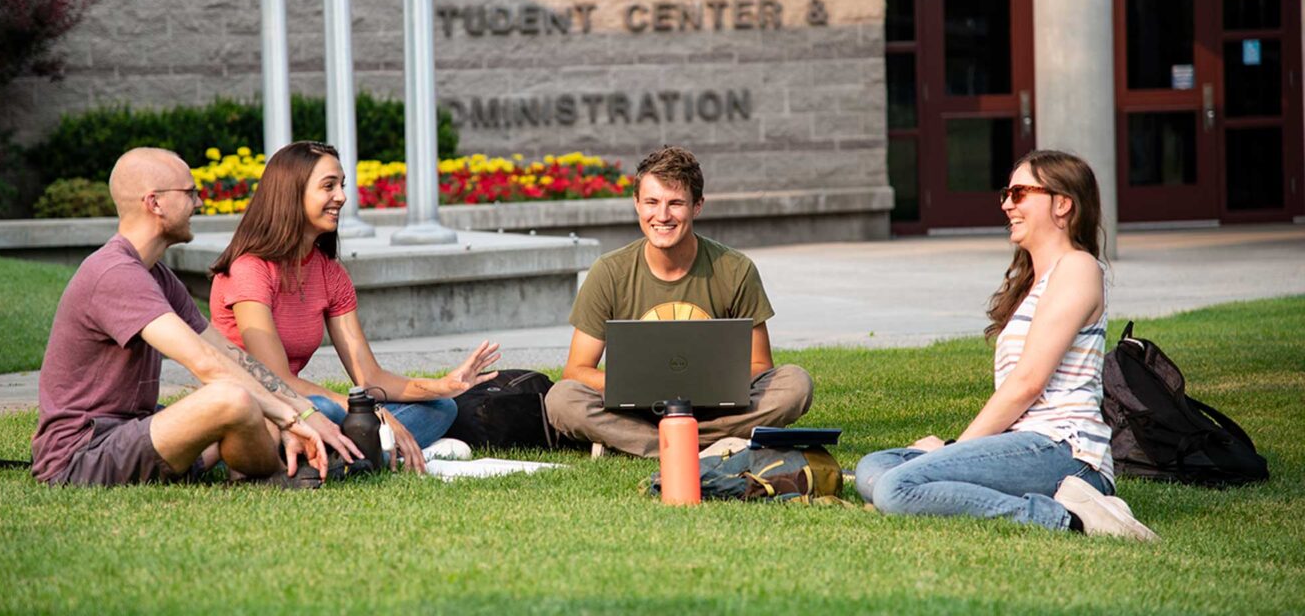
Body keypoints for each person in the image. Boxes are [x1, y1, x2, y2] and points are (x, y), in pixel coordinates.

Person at [855, 150, 1158, 540]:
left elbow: (1028, 382)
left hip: (1064, 451)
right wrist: (951, 452)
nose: (1006, 204)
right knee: (874, 467)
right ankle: (942, 490)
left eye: (1019, 194)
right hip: (1022, 445)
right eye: (1006, 194)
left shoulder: (1077, 268)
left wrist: (952, 452)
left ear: (1062, 204)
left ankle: (1074, 518)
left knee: (894, 489)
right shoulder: (1038, 280)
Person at [32, 147, 362, 488]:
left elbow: (230, 355)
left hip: (135, 433)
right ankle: (269, 476)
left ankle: (266, 465)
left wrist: (300, 408)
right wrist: (293, 419)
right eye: (190, 193)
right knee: (232, 397)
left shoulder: (155, 274)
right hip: (83, 455)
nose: (199, 204)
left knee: (255, 398)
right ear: (154, 203)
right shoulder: (114, 273)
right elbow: (206, 363)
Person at [209, 141, 500, 474]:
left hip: (304, 410)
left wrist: (442, 386)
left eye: (341, 186)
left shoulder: (329, 272)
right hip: (263, 414)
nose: (342, 198)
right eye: (328, 186)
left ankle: (354, 458)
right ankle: (375, 455)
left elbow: (369, 376)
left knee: (440, 408)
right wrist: (370, 412)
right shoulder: (251, 269)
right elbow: (279, 381)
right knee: (327, 410)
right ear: (291, 192)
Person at [545, 145, 813, 457]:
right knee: (562, 398)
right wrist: (634, 385)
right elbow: (576, 370)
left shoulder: (736, 269)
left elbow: (760, 364)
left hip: (715, 408)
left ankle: (643, 443)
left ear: (697, 206)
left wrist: (711, 382)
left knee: (795, 384)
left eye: (675, 203)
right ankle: (701, 445)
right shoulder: (609, 271)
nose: (662, 215)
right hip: (637, 409)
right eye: (652, 202)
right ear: (636, 204)